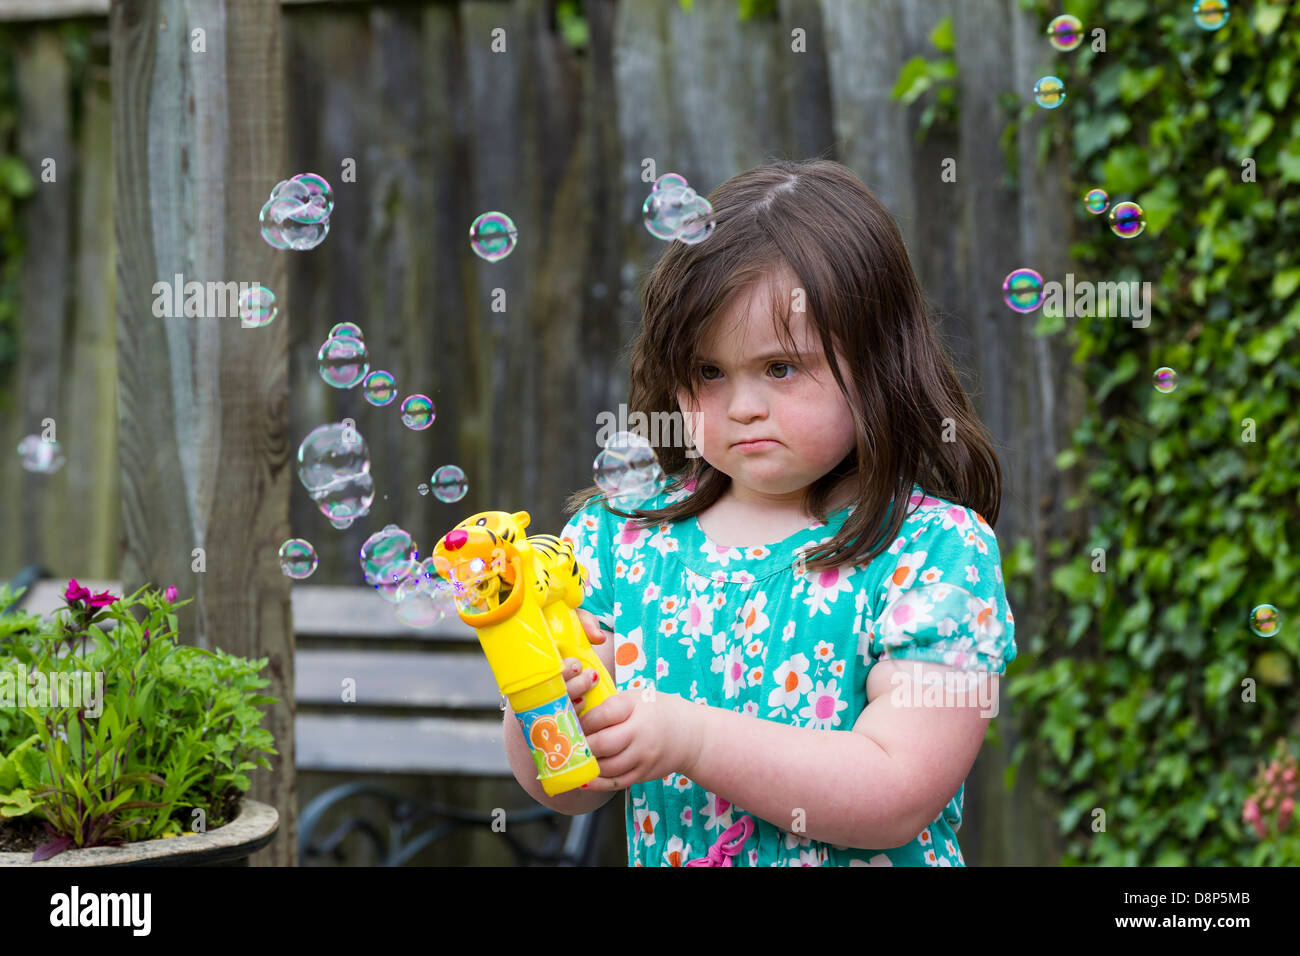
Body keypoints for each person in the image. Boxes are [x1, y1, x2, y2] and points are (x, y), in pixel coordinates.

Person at [556, 158, 1016, 866]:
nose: (742, 406)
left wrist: (690, 738)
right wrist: (548, 697)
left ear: (877, 362)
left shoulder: (931, 554)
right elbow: (567, 791)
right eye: (710, 372)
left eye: (779, 368)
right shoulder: (619, 541)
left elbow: (897, 791)